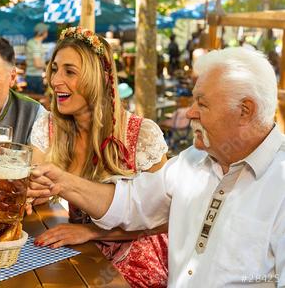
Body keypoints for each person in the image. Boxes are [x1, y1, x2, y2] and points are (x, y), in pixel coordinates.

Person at [30, 47, 285, 287]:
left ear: (245, 111)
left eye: (202, 104)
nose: (189, 113)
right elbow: (130, 203)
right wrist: (62, 181)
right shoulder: (192, 162)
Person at [29, 27, 169, 288]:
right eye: (55, 68)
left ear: (100, 78)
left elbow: (165, 218)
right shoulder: (49, 127)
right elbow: (32, 186)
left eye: (69, 71)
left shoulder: (140, 135)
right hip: (76, 250)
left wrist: (93, 231)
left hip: (133, 256)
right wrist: (28, 190)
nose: (55, 80)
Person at [24, 23, 49, 95]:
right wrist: (47, 67)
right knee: (37, 100)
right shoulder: (35, 45)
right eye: (46, 31)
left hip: (32, 76)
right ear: (43, 32)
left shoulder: (32, 42)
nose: (47, 32)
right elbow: (37, 63)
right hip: (34, 77)